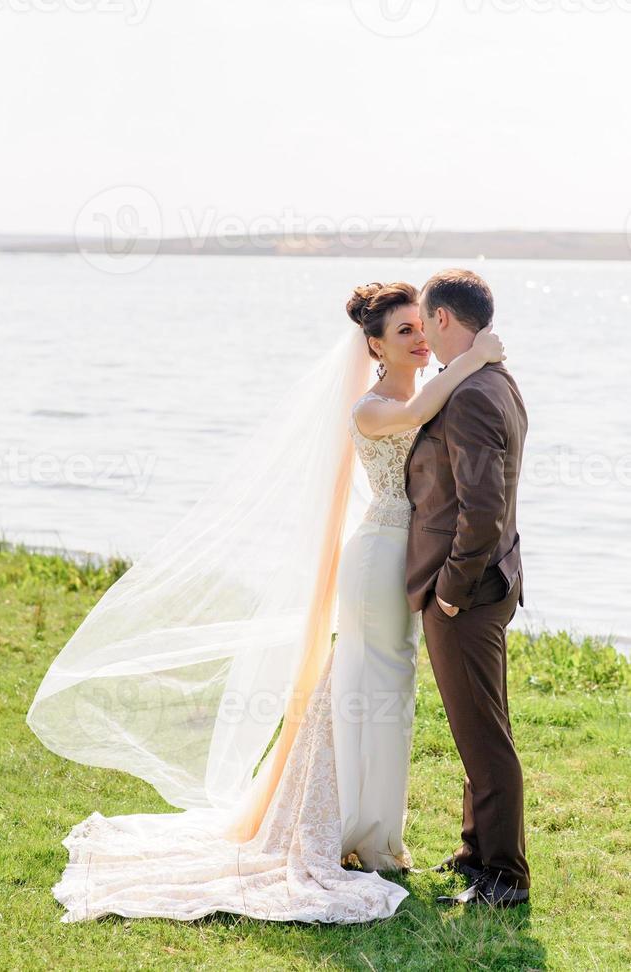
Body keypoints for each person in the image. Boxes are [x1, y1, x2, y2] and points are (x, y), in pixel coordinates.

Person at [26, 279, 504, 924]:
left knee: (388, 695)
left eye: (423, 328)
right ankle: (349, 830)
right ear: (374, 346)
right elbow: (419, 420)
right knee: (369, 685)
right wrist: (473, 359)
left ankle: (374, 833)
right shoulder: (373, 409)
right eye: (404, 333)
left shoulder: (421, 393)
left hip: (404, 560)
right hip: (376, 560)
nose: (420, 340)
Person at [404, 268, 530, 908]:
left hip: (470, 593)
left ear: (444, 318)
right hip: (495, 580)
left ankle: (504, 879)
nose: (422, 330)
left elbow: (482, 507)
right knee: (481, 727)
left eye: (424, 319)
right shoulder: (495, 380)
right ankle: (474, 851)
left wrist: (450, 589)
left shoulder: (474, 393)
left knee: (484, 738)